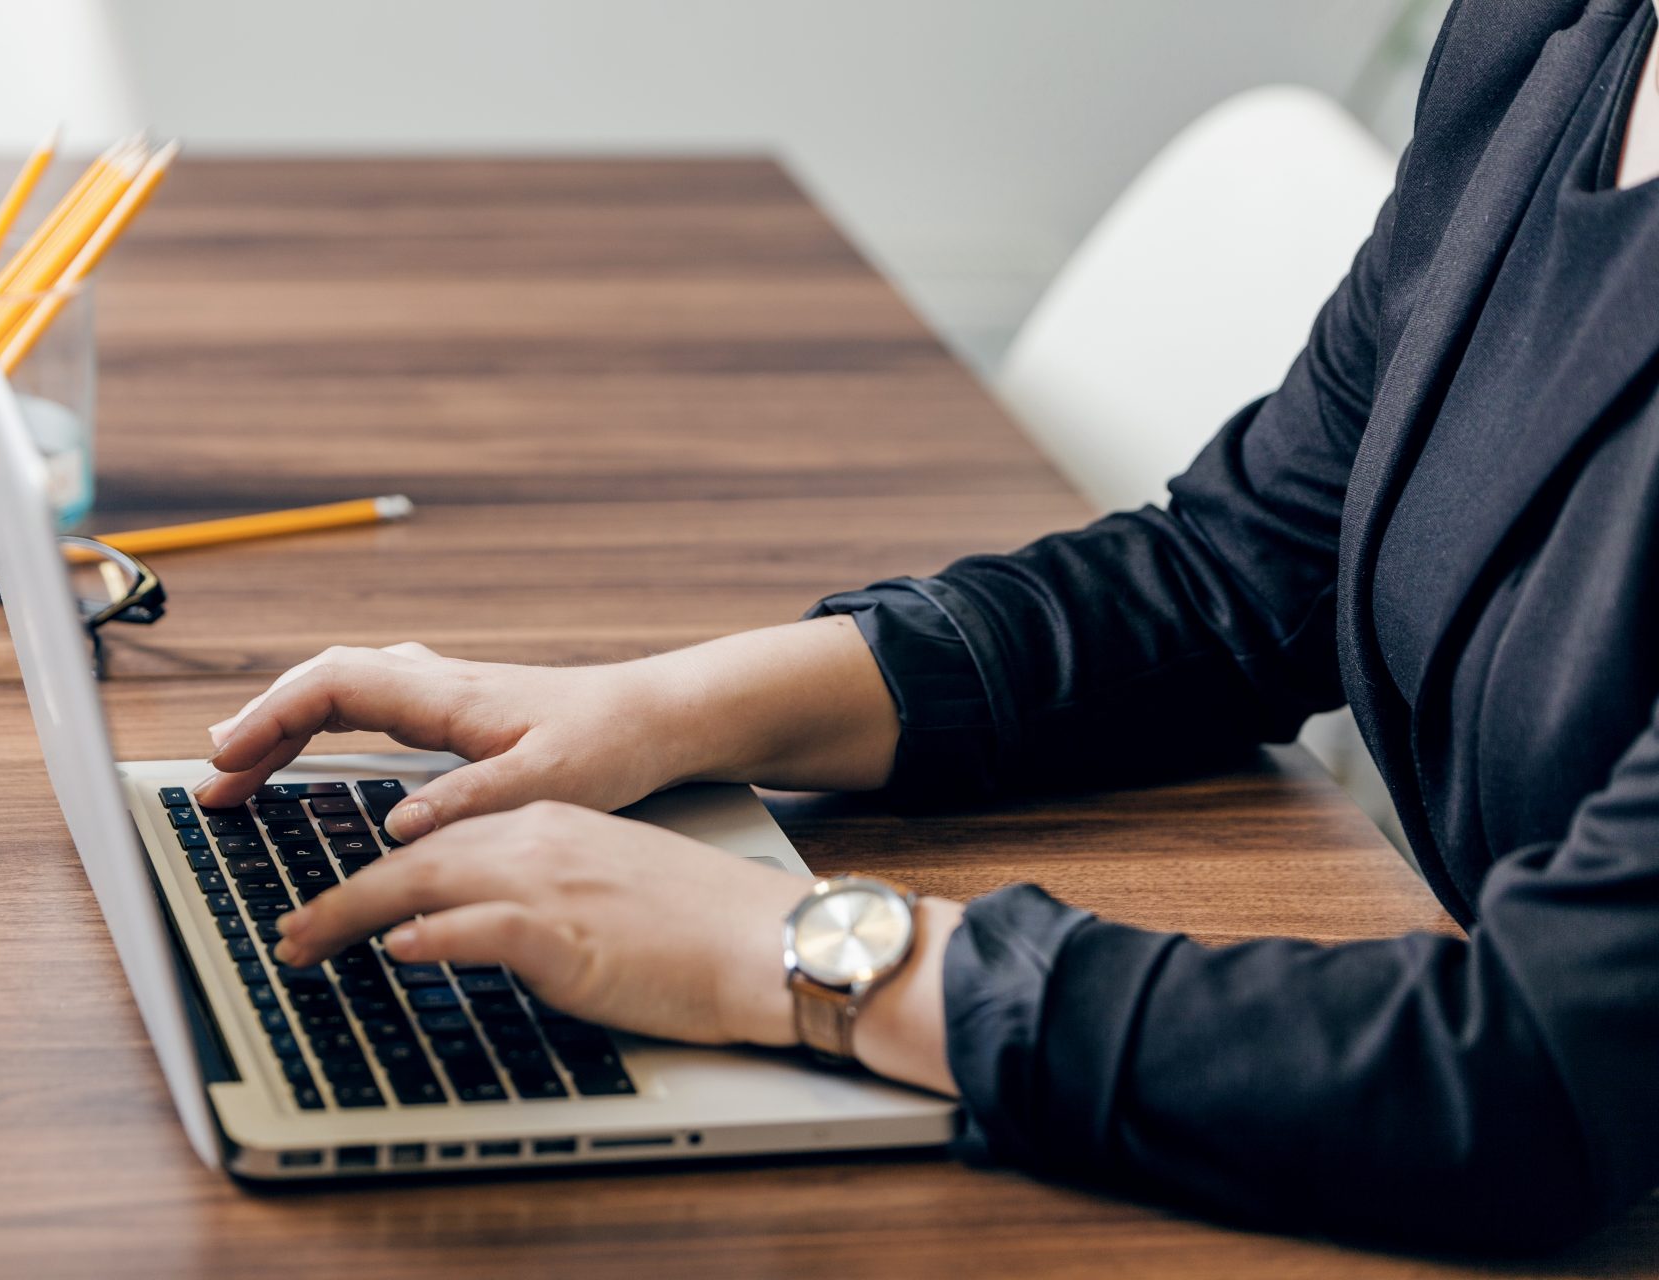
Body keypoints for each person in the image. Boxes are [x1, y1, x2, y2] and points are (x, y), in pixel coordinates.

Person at [195, 0, 1659, 1252]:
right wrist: (676, 708)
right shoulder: (1564, 32)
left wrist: (809, 955)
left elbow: (1535, 1073)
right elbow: (1254, 561)